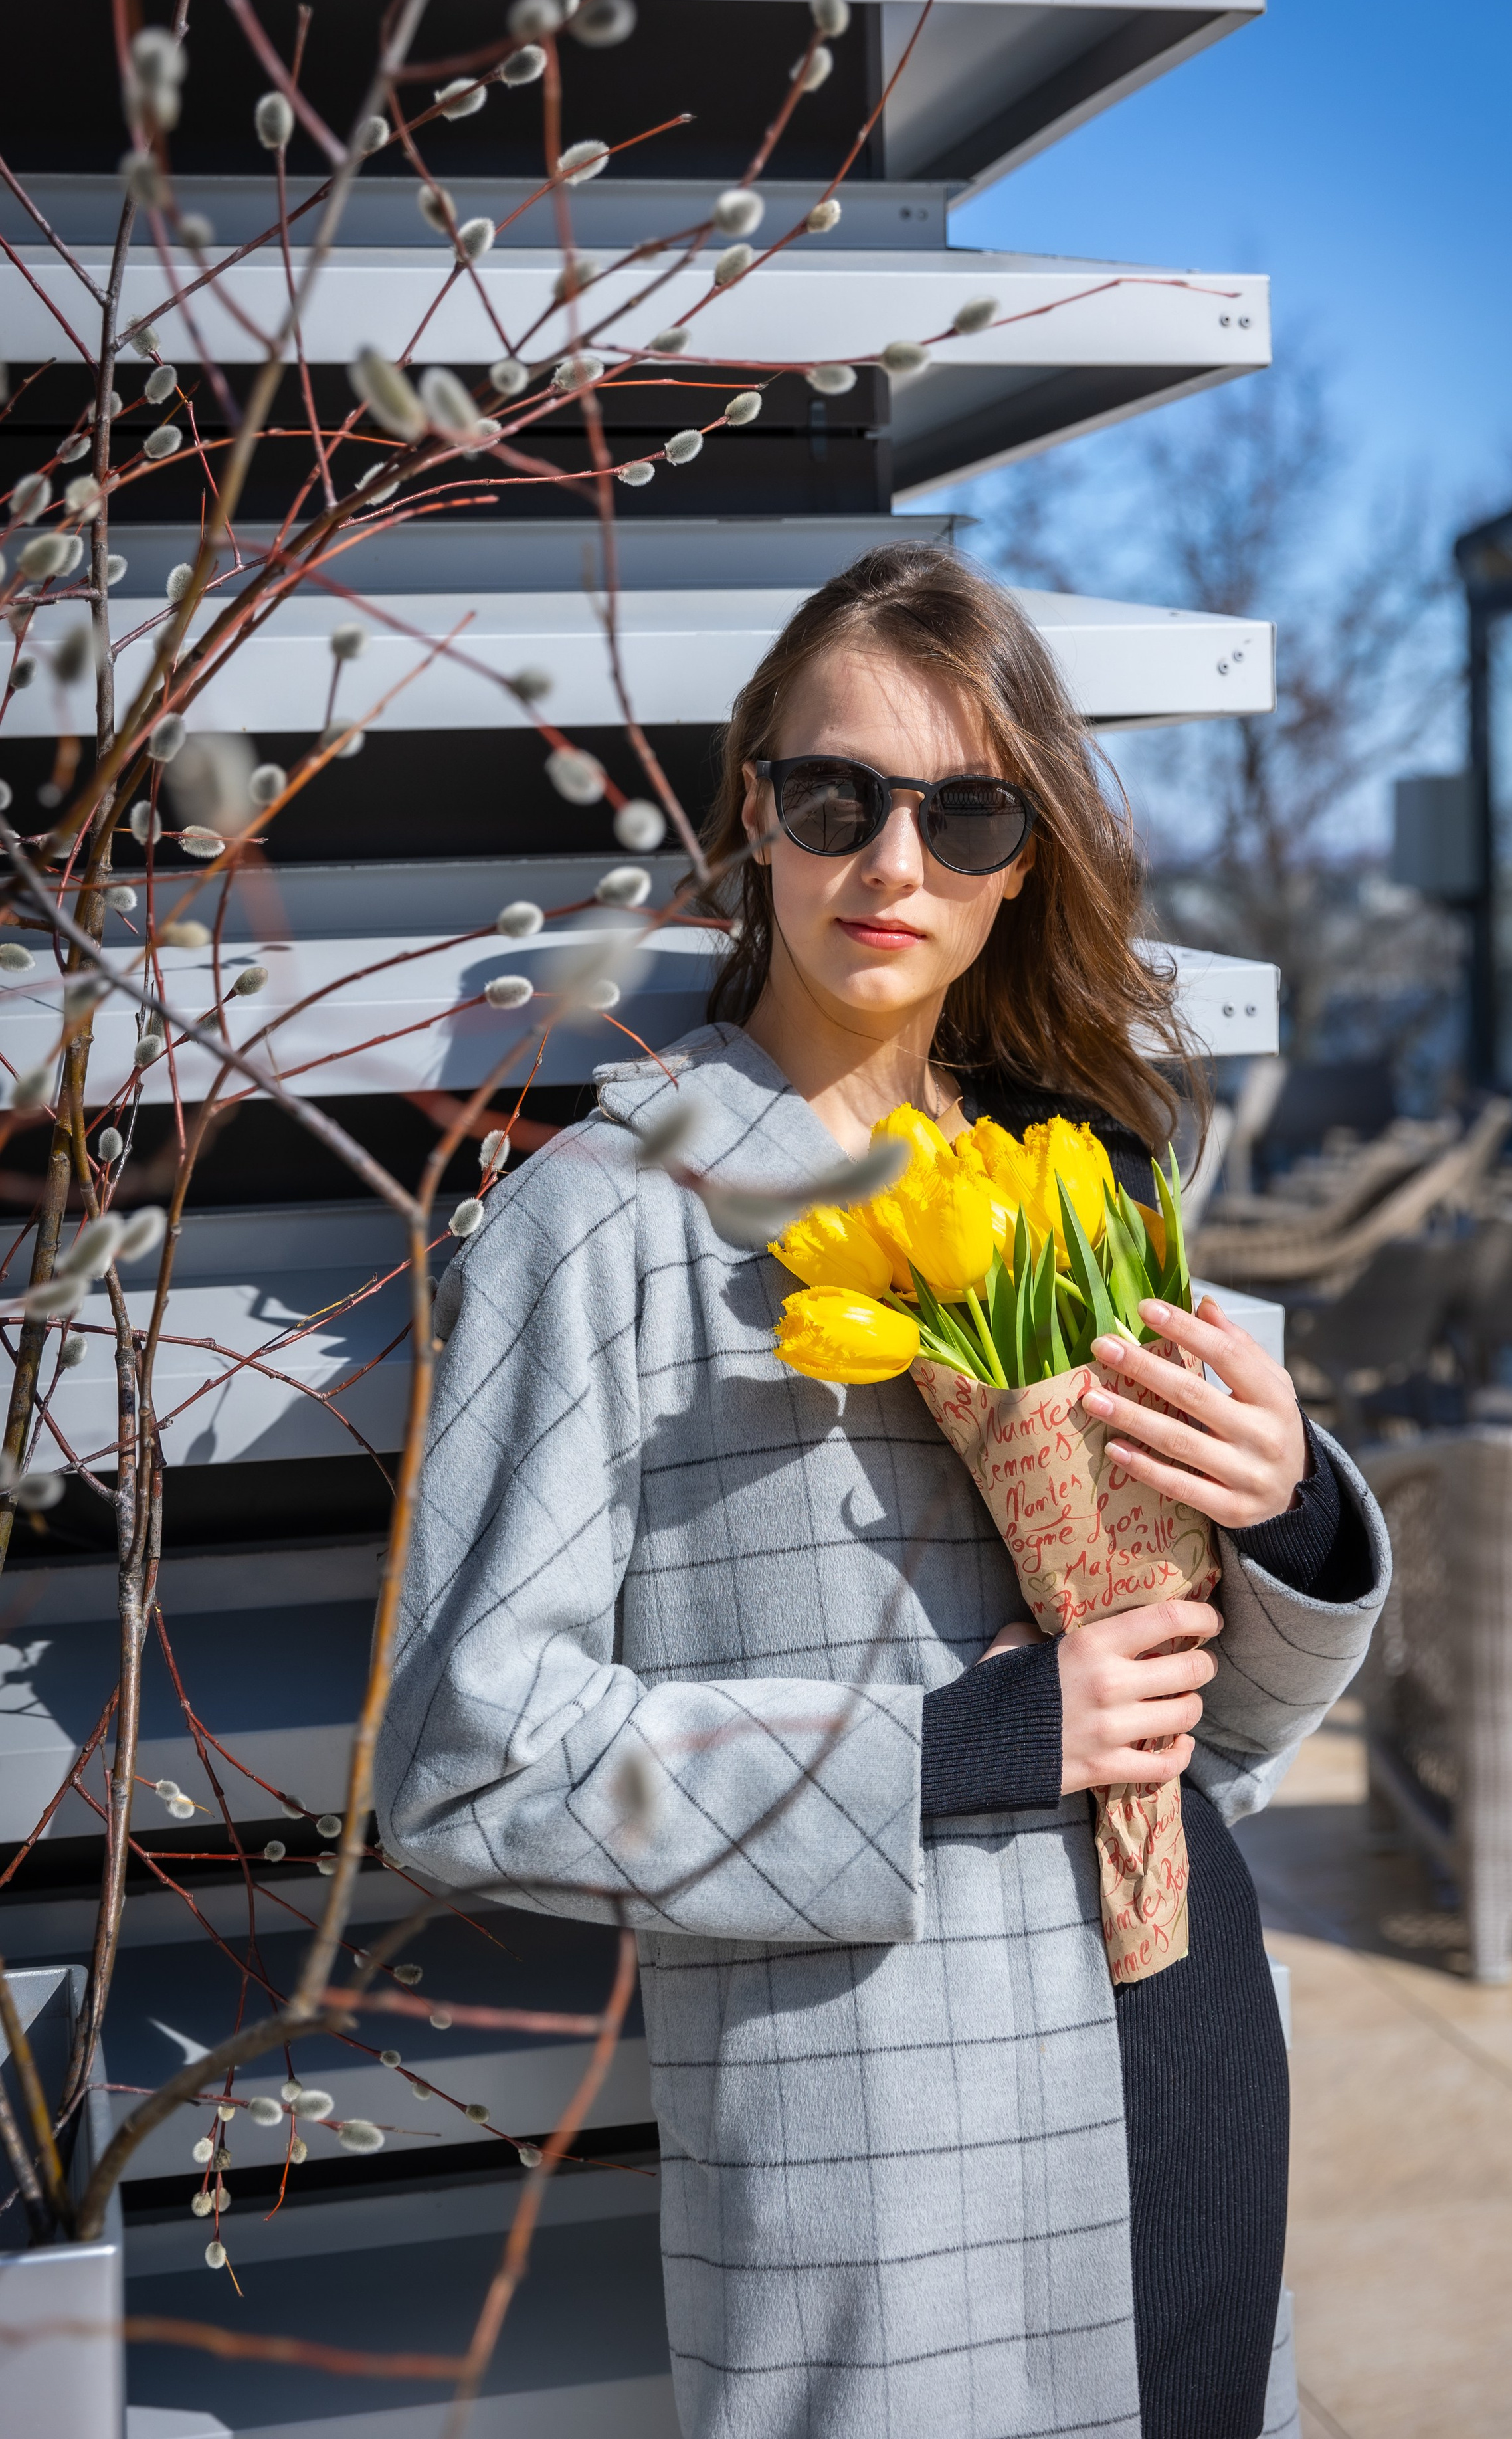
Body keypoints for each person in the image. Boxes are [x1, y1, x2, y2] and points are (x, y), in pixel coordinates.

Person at [377, 545, 1390, 2439]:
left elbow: (1205, 1742)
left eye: (968, 810)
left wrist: (1288, 1517)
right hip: (896, 2175)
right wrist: (952, 1749)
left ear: (1027, 857)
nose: (895, 865)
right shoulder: (604, 1228)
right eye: (837, 798)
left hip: (1183, 2073)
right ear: (753, 810)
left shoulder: (1079, 1186)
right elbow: (468, 1761)